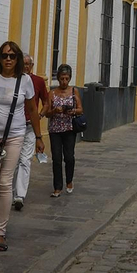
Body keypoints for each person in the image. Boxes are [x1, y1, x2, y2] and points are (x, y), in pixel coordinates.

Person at [0, 41, 44, 252]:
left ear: (17, 60)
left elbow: (32, 110)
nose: (8, 59)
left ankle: (0, 232)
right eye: (4, 55)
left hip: (15, 136)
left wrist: (39, 136)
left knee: (5, 183)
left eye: (12, 56)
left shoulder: (25, 81)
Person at [11, 52, 49, 212]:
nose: (26, 66)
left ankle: (19, 195)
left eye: (28, 64)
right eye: (23, 63)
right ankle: (8, 190)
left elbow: (46, 102)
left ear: (32, 66)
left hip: (30, 127)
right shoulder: (13, 80)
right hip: (13, 126)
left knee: (25, 160)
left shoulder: (38, 81)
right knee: (12, 159)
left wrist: (39, 116)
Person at [46, 64, 83, 198]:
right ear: (58, 78)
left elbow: (80, 109)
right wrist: (54, 111)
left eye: (67, 78)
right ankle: (57, 187)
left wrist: (72, 111)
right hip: (55, 129)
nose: (64, 81)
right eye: (62, 78)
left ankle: (69, 181)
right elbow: (47, 113)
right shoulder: (52, 93)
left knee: (69, 157)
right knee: (56, 158)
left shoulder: (74, 91)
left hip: (69, 128)